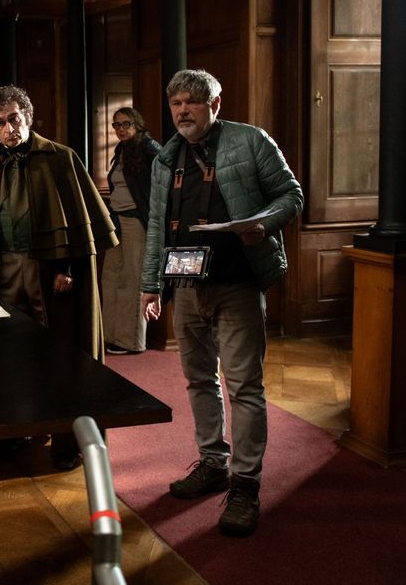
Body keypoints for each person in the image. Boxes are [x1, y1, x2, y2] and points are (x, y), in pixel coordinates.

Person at [138, 69, 302, 538]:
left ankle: (246, 485)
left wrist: (263, 225)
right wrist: (151, 284)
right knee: (198, 380)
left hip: (238, 283)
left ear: (215, 103)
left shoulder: (251, 141)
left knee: (244, 385)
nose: (183, 111)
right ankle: (213, 463)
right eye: (176, 104)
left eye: (192, 101)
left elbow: (291, 195)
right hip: (186, 284)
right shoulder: (165, 158)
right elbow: (157, 225)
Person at [0, 84, 117, 470]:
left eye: (14, 119)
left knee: (62, 356)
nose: (8, 129)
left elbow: (78, 221)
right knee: (9, 357)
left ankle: (68, 442)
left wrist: (67, 267)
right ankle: (16, 430)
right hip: (2, 270)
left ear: (28, 115)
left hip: (49, 272)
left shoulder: (60, 158)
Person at [100, 106, 161, 355]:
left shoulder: (149, 148)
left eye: (126, 124)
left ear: (137, 124)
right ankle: (110, 334)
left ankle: (131, 341)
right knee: (111, 276)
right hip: (116, 219)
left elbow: (161, 186)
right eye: (116, 125)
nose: (121, 129)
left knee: (133, 279)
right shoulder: (122, 149)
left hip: (136, 220)